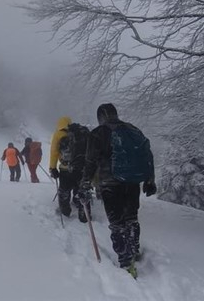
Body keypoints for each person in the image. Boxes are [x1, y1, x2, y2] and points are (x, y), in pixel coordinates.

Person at [79, 103, 157, 278]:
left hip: (109, 184)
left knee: (117, 223)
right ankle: (134, 249)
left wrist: (84, 183)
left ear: (101, 117)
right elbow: (147, 155)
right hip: (132, 182)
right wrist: (150, 180)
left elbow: (90, 161)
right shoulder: (132, 130)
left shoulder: (98, 133)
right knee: (131, 218)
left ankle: (126, 262)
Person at [49, 117, 90, 222]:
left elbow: (54, 152)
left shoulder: (58, 134)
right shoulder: (81, 133)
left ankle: (65, 212)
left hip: (65, 169)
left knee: (64, 191)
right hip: (81, 168)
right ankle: (84, 214)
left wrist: (52, 168)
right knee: (81, 190)